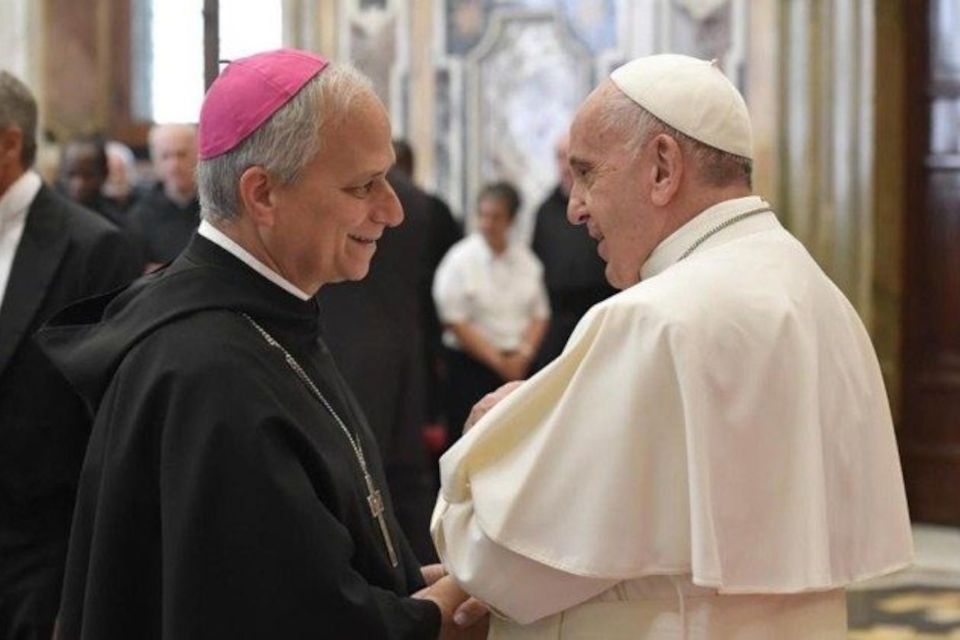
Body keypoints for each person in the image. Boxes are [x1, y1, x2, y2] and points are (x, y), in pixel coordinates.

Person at [431, 54, 913, 639]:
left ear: (662, 167)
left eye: (587, 173)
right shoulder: (823, 298)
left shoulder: (652, 320)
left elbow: (504, 564)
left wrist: (490, 429)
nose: (576, 205)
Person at [38, 49, 480, 639]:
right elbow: (284, 619)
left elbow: (313, 564)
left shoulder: (267, 321)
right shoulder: (209, 373)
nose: (393, 212)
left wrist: (422, 585)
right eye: (364, 186)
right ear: (262, 194)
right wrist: (463, 596)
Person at [0, 71, 140, 640]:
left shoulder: (93, 247)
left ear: (9, 144)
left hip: (42, 556)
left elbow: (108, 429)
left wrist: (83, 592)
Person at [316, 164, 438, 564]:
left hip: (348, 342)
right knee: (405, 473)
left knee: (360, 472)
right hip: (405, 345)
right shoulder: (417, 200)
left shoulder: (338, 198)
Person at [432, 181, 550, 445]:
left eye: (495, 217)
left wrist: (523, 355)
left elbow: (540, 313)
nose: (487, 223)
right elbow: (454, 320)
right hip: (471, 366)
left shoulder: (526, 261)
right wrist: (498, 362)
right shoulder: (459, 260)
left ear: (511, 220)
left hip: (518, 364)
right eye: (483, 215)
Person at [530, 133, 614, 371]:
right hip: (556, 320)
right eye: (559, 157)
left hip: (601, 312)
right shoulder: (544, 212)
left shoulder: (604, 202)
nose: (565, 166)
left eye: (570, 158)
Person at [126, 123, 200, 268]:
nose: (174, 165)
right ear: (155, 161)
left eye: (182, 154)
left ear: (198, 155)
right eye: (166, 156)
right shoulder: (139, 216)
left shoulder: (218, 209)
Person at [57, 135, 125, 226]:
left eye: (88, 176)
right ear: (61, 173)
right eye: (71, 175)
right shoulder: (48, 218)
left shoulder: (113, 223)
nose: (79, 184)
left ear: (104, 175)